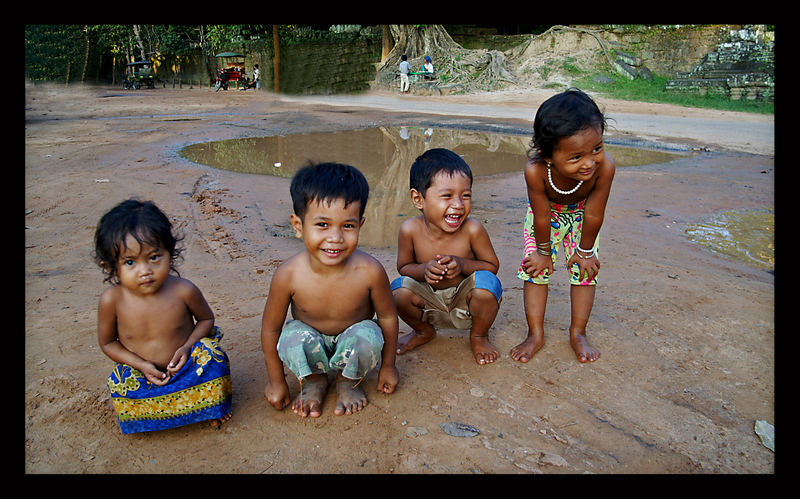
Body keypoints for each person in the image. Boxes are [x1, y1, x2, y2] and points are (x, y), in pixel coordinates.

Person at [260, 162, 399, 418]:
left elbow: (388, 317)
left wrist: (388, 366)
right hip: (311, 340)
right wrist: (276, 381)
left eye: (347, 226)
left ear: (360, 224)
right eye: (322, 225)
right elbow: (271, 328)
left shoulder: (370, 271)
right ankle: (314, 380)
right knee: (292, 337)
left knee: (368, 333)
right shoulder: (288, 275)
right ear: (298, 225)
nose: (335, 237)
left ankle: (348, 381)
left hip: (353, 341)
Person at [94, 199, 232, 434]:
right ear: (110, 267)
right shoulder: (112, 301)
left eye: (154, 257)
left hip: (185, 367)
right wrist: (141, 364)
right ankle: (166, 411)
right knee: (119, 382)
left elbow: (207, 320)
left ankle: (212, 407)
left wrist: (188, 347)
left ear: (170, 253)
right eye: (130, 262)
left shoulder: (183, 290)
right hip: (143, 373)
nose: (145, 270)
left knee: (213, 357)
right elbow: (108, 343)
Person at [511, 88, 615, 364]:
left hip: (583, 216)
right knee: (535, 270)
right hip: (546, 217)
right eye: (576, 157)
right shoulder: (536, 170)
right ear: (547, 156)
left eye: (597, 148)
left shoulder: (605, 168)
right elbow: (542, 215)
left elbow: (594, 213)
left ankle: (578, 333)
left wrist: (585, 250)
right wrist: (543, 252)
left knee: (585, 270)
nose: (589, 162)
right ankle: (535, 333)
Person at [392, 148, 503, 365]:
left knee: (488, 284)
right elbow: (404, 267)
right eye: (447, 196)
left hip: (464, 302)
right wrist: (423, 269)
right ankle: (423, 331)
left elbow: (492, 266)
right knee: (397, 290)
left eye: (466, 195)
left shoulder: (473, 229)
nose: (459, 205)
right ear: (418, 199)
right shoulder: (410, 230)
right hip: (430, 300)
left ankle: (479, 335)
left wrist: (462, 264)